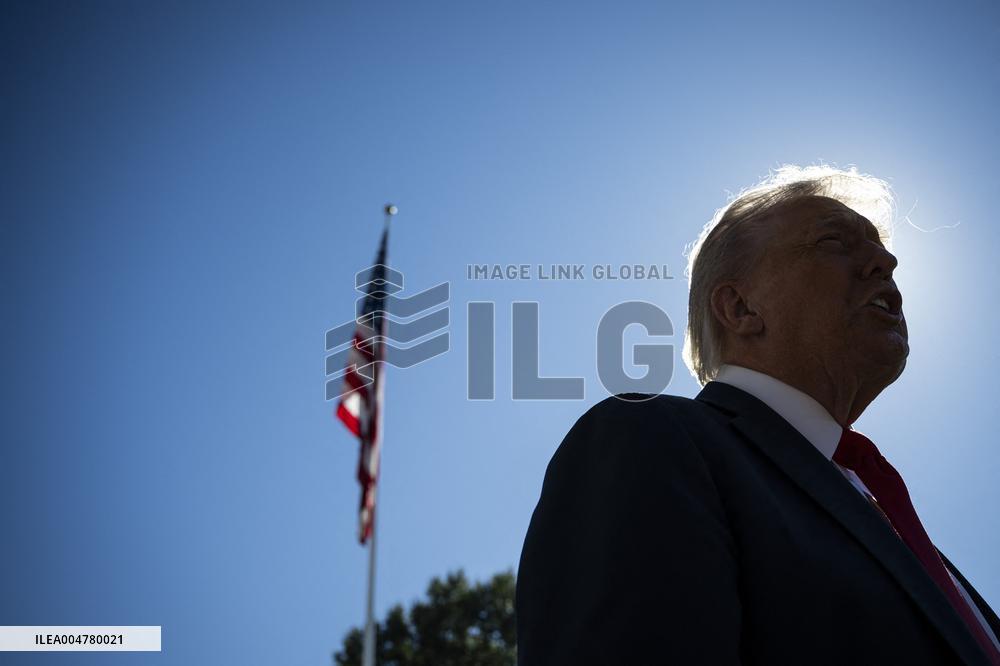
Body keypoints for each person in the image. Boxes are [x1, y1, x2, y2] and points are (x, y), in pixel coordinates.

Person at [515, 166, 1000, 665]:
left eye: (883, 253)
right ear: (740, 307)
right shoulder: (651, 440)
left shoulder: (896, 526)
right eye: (834, 241)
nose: (885, 261)